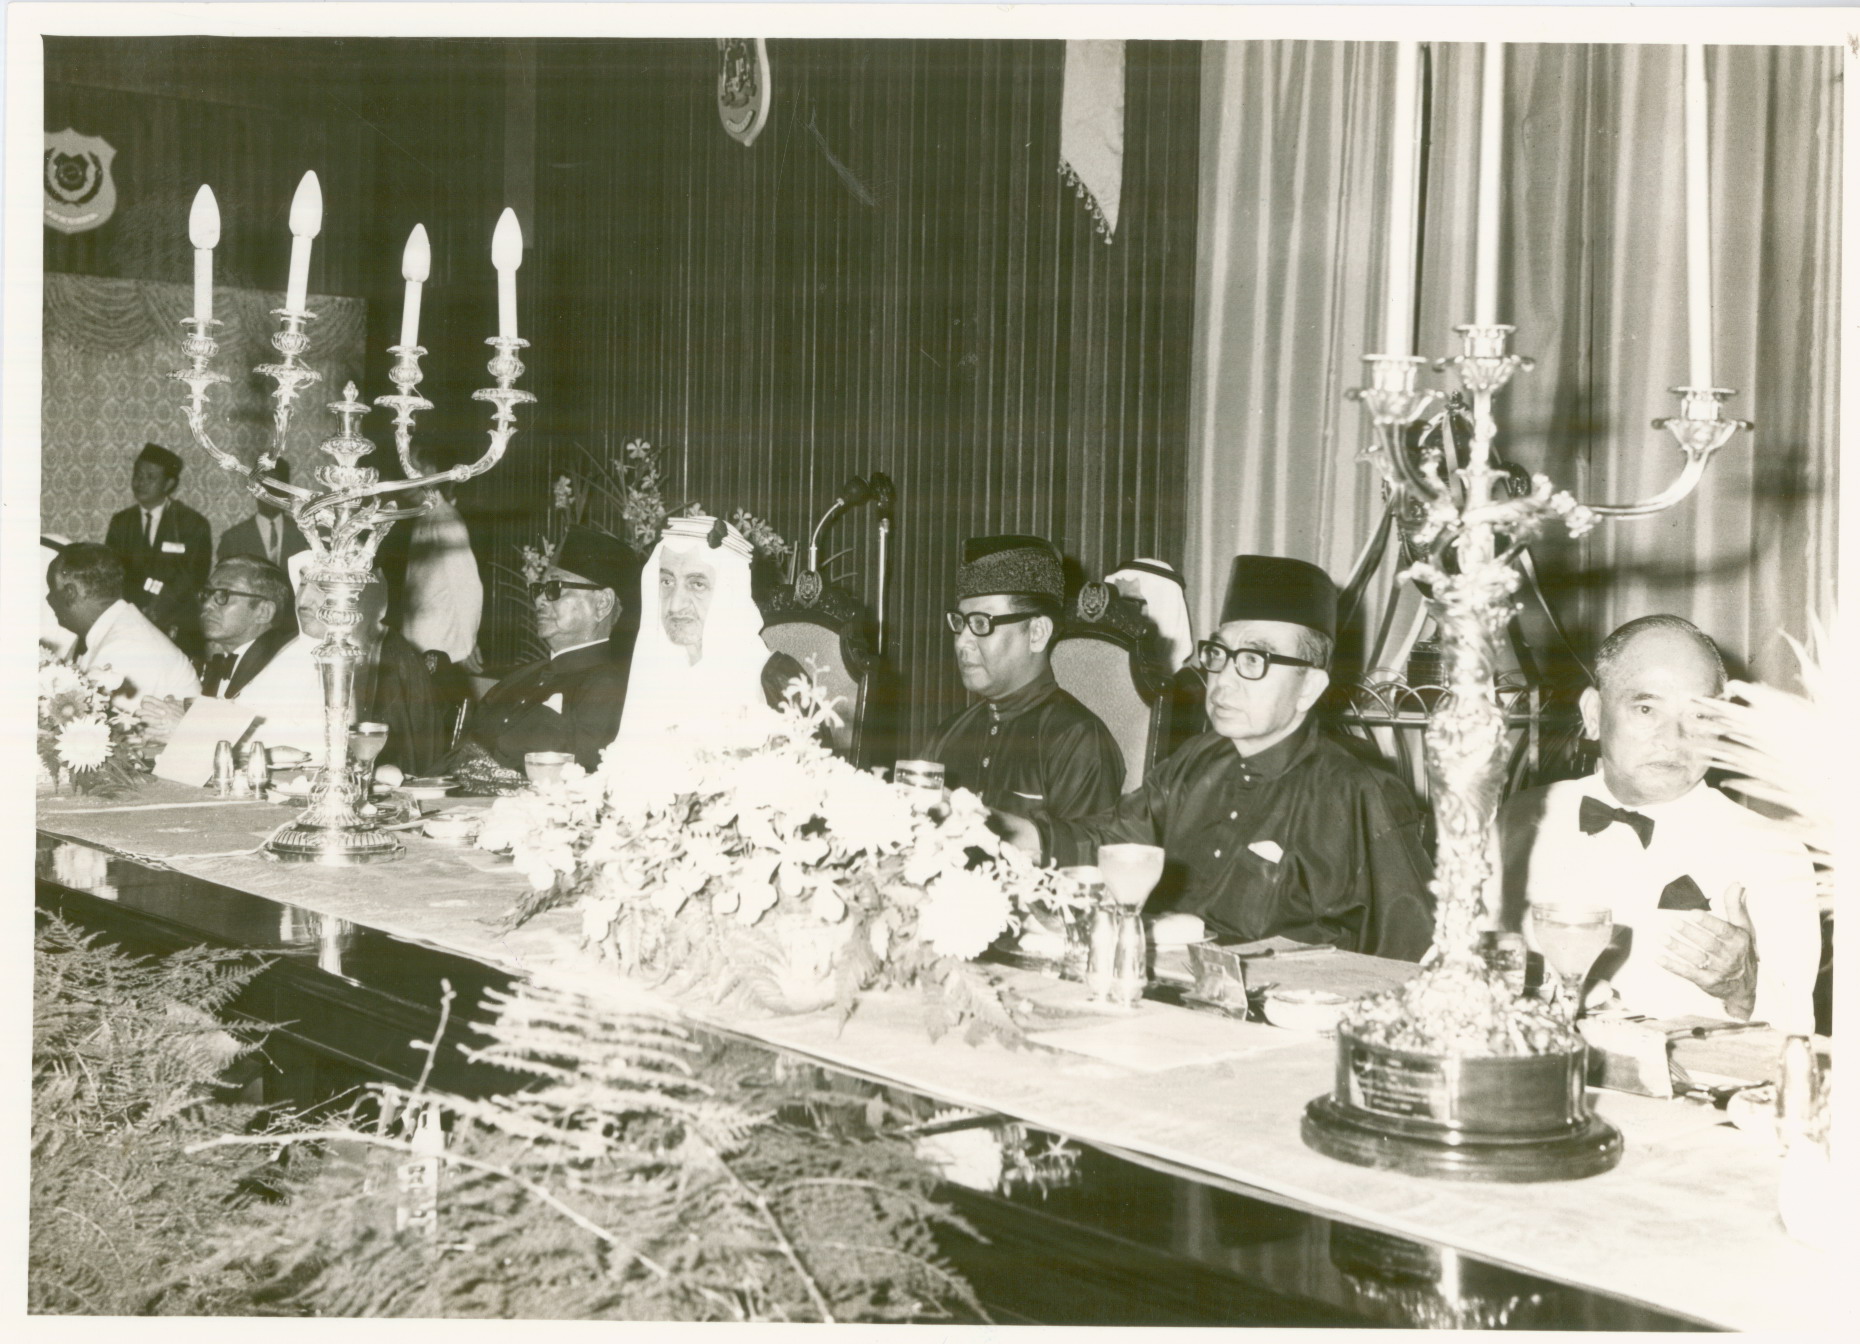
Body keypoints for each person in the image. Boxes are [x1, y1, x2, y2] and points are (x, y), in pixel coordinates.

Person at [996, 554, 1435, 959]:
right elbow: (1115, 841)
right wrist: (1001, 830)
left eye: (1254, 661)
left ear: (1309, 688)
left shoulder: (1358, 794)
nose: (1223, 680)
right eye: (1220, 655)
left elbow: (1412, 954)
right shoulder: (1196, 761)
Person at [1498, 615, 1821, 1032]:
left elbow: (1797, 1034)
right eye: (1646, 709)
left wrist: (1743, 989)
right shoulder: (1522, 819)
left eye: (1700, 716)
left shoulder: (1773, 852)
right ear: (1594, 714)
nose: (1673, 740)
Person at [919, 534, 1123, 821]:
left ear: (1037, 633)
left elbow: (1084, 848)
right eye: (960, 622)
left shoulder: (1078, 741)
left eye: (981, 623)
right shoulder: (948, 735)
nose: (962, 641)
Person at [613, 514, 800, 755]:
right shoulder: (649, 675)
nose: (675, 605)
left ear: (729, 593)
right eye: (667, 582)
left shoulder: (779, 682)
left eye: (697, 584)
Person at [462, 524, 636, 773]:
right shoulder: (516, 679)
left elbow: (581, 780)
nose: (539, 600)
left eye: (555, 589)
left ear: (602, 604)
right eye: (539, 589)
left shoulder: (609, 688)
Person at [294, 555, 443, 777]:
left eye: (320, 587)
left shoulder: (386, 658)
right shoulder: (291, 651)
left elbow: (391, 766)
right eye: (302, 583)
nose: (303, 600)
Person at [139, 556, 301, 747]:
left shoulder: (287, 666)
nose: (207, 605)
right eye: (207, 594)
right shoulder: (222, 659)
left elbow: (270, 744)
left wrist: (187, 730)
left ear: (263, 611)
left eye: (224, 595)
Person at [46, 543, 200, 707]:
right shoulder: (120, 626)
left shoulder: (125, 645)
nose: (48, 598)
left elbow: (98, 720)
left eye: (52, 589)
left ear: (70, 593)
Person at [103, 443, 212, 645]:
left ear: (169, 483)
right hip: (130, 625)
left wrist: (157, 610)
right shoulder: (121, 522)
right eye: (137, 475)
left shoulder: (192, 523)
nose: (140, 482)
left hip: (177, 626)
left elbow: (193, 577)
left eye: (150, 477)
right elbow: (111, 573)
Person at [1106, 556, 1207, 753]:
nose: (1123, 614)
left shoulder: (1190, 688)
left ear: (1165, 609)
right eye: (1118, 603)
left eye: (1134, 603)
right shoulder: (1104, 672)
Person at [398, 465, 484, 669]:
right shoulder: (424, 516)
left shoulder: (445, 519)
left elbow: (468, 588)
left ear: (432, 473)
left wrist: (468, 645)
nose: (407, 479)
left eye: (414, 471)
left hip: (443, 645)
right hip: (416, 642)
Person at [217, 457, 308, 568]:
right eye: (265, 485)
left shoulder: (305, 536)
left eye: (277, 486)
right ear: (254, 487)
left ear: (287, 491)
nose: (270, 493)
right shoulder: (232, 539)